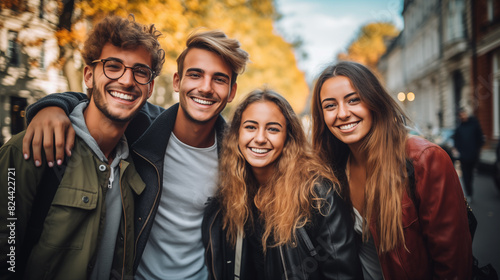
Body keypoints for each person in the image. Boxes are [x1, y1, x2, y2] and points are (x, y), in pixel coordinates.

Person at [20, 29, 249, 279]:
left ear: (232, 91)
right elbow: (106, 100)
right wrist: (53, 106)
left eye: (219, 79)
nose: (205, 88)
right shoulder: (142, 128)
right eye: (195, 74)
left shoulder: (236, 157)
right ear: (177, 81)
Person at [0, 15, 165, 279]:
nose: (126, 80)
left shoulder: (139, 159)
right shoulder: (29, 149)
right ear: (89, 75)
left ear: (150, 88)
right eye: (113, 66)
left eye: (140, 72)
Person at [310, 61, 472, 279]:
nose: (342, 113)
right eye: (330, 106)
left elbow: (454, 267)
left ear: (374, 101)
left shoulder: (425, 159)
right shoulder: (332, 168)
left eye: (354, 100)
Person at [202, 89, 362, 279]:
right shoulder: (227, 200)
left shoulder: (318, 196)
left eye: (273, 129)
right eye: (251, 127)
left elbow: (343, 274)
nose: (260, 138)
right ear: (236, 135)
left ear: (289, 137)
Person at [453, 107, 484, 202]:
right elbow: (456, 141)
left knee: (470, 175)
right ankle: (469, 194)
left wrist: (477, 150)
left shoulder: (474, 124)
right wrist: (457, 151)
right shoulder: (459, 128)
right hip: (463, 156)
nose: (463, 116)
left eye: (464, 113)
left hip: (473, 155)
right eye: (461, 114)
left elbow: (480, 139)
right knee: (465, 176)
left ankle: (470, 191)